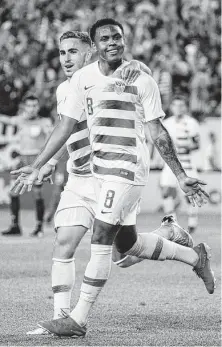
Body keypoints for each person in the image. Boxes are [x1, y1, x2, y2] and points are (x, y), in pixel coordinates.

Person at [11, 18, 215, 338]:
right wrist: (42, 163)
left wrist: (180, 174)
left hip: (125, 169)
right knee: (124, 247)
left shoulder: (136, 74)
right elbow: (68, 129)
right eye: (62, 52)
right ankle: (185, 247)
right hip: (88, 174)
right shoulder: (74, 85)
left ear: (88, 52)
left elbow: (154, 124)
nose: (66, 58)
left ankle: (75, 318)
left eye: (72, 51)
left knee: (100, 238)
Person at [0, 94, 52, 236]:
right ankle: (15, 226)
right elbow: (6, 119)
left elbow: (52, 140)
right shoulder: (20, 120)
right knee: (13, 192)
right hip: (23, 160)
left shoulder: (44, 122)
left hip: (36, 160)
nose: (32, 109)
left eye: (34, 105)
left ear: (38, 107)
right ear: (24, 107)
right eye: (29, 106)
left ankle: (39, 227)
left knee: (37, 193)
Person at [159, 95, 201, 233]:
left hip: (187, 162)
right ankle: (173, 223)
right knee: (166, 191)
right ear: (172, 107)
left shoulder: (192, 122)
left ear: (185, 107)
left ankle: (192, 222)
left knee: (190, 193)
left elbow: (197, 144)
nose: (179, 108)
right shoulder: (167, 122)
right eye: (176, 105)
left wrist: (189, 145)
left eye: (181, 105)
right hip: (171, 162)